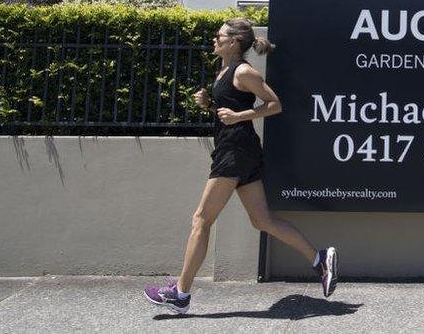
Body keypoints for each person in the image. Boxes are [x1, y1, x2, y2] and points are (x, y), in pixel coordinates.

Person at [144, 17, 338, 314]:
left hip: (235, 152)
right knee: (262, 221)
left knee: (201, 220)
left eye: (218, 36)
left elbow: (275, 104)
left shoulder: (244, 71)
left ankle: (180, 294)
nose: (214, 39)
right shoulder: (223, 69)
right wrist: (209, 104)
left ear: (233, 41)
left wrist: (240, 117)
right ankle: (319, 260)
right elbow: (228, 110)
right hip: (237, 150)